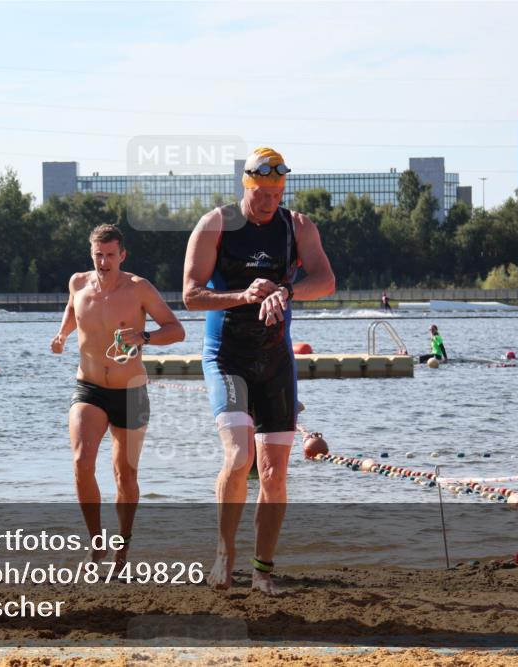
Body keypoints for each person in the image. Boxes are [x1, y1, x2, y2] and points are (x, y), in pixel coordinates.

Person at [183, 147, 336, 595]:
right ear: (246, 186)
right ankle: (224, 553)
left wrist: (284, 290)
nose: (269, 202)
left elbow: (325, 281)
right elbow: (191, 295)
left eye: (276, 193)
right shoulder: (216, 224)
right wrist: (245, 295)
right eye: (261, 193)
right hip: (227, 356)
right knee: (238, 457)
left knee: (274, 473)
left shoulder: (298, 226)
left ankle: (263, 569)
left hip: (275, 361)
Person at [51, 224, 185, 567]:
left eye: (111, 255)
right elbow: (72, 311)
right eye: (98, 254)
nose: (104, 261)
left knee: (125, 475)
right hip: (90, 388)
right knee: (82, 463)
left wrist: (144, 337)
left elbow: (176, 330)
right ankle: (96, 543)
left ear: (122, 255)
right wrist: (62, 335)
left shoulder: (139, 288)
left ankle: (122, 546)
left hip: (131, 390)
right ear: (91, 254)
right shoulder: (78, 283)